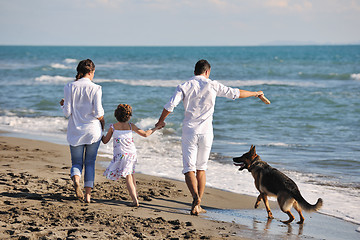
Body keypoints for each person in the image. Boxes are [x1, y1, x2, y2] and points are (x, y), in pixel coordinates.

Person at [155, 59, 265, 215]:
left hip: (189, 131)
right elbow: (236, 93)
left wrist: (161, 121)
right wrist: (256, 93)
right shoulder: (212, 85)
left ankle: (195, 199)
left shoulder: (184, 86)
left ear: (195, 71)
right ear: (207, 72)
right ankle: (198, 203)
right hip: (207, 133)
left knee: (189, 169)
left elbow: (170, 106)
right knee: (201, 168)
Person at [60, 59, 105, 203]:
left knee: (76, 163)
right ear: (91, 72)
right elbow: (98, 113)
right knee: (90, 162)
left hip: (75, 131)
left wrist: (63, 105)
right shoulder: (96, 88)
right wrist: (103, 123)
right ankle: (87, 196)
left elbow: (67, 112)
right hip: (92, 130)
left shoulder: (69, 86)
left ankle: (76, 181)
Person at [102, 104, 163, 207]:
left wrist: (99, 133)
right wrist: (156, 127)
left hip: (121, 155)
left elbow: (105, 141)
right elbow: (145, 134)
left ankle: (135, 200)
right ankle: (135, 196)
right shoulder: (131, 126)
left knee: (129, 176)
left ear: (116, 115)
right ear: (129, 116)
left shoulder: (113, 127)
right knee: (131, 174)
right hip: (132, 154)